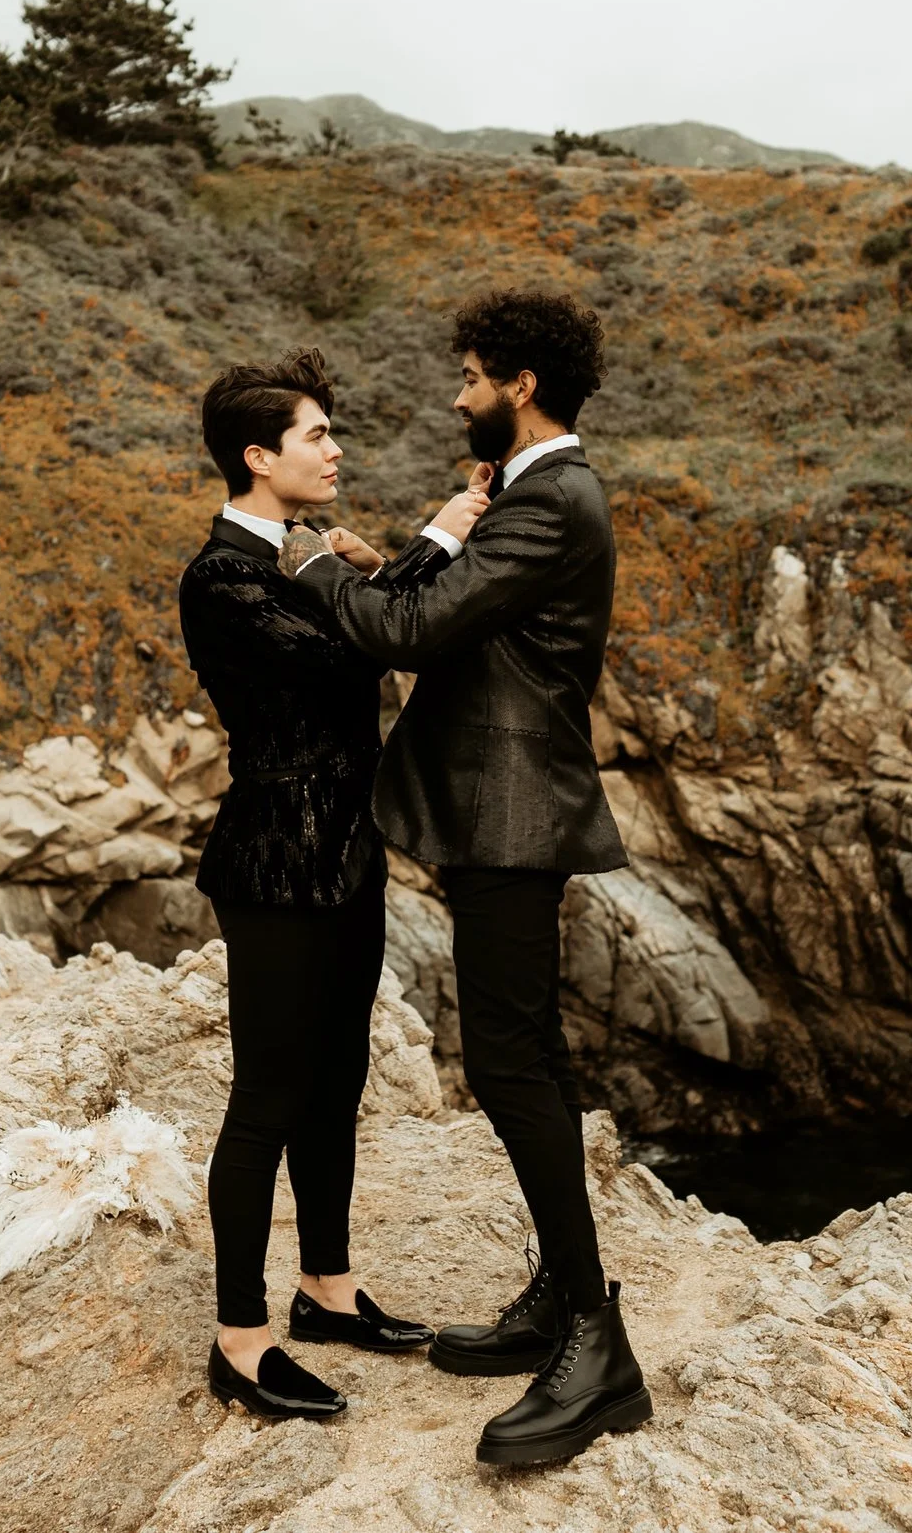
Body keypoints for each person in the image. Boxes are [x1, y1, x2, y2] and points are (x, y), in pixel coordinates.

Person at [280, 290, 649, 1467]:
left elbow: (413, 634)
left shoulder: (554, 498)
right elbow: (455, 611)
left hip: (513, 816)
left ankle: (595, 1345)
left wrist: (312, 566)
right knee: (520, 1054)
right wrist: (381, 562)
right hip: (500, 809)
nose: (457, 396)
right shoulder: (528, 494)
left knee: (509, 1061)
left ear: (520, 387)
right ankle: (561, 1296)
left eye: (472, 376)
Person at [177, 347, 487, 1421]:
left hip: (349, 853)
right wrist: (436, 542)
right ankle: (240, 1338)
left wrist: (374, 568)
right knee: (266, 1095)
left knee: (337, 1078)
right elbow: (353, 656)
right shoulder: (221, 577)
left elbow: (367, 627)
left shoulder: (310, 558)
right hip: (272, 863)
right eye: (316, 434)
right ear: (258, 456)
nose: (335, 449)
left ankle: (327, 1288)